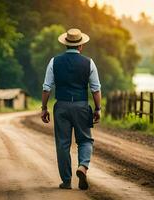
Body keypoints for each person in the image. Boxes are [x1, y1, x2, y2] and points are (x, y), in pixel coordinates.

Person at [41, 28, 102, 190]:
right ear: (81, 46)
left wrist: (44, 108)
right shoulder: (89, 62)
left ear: (66, 45)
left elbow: (47, 88)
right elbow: (95, 89)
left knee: (62, 144)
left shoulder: (54, 61)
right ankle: (82, 166)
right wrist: (98, 108)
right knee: (85, 140)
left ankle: (66, 181)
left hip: (61, 106)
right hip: (82, 106)